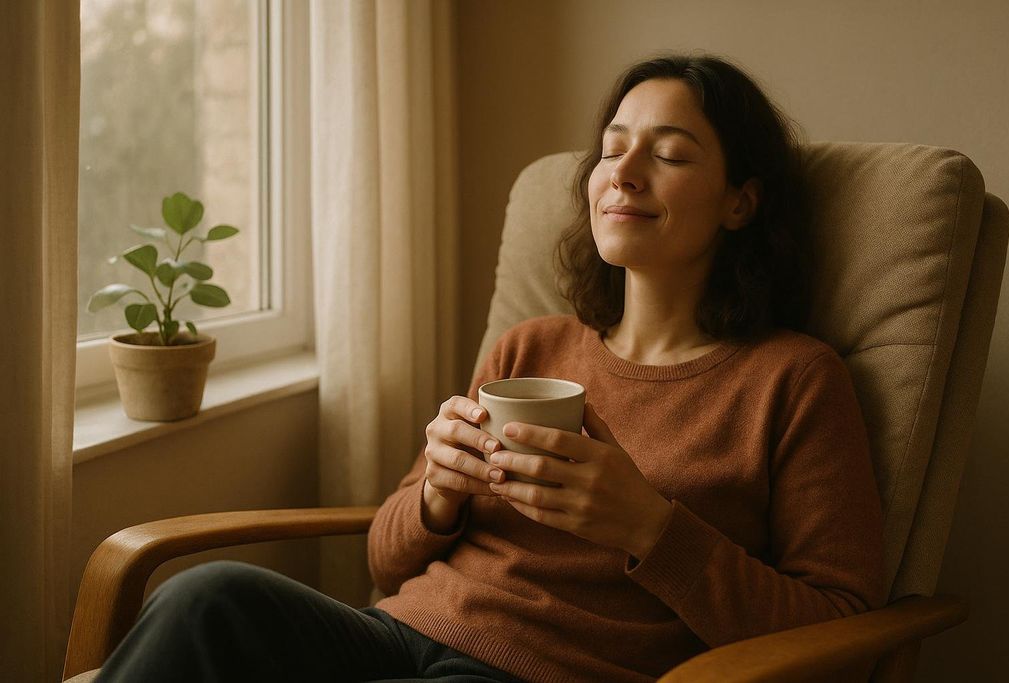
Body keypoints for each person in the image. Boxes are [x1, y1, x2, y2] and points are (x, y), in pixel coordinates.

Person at [94, 53, 884, 683]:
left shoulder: (794, 379)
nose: (624, 170)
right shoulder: (530, 349)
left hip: (559, 672)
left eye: (669, 153)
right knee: (206, 597)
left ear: (740, 203)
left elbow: (841, 622)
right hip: (398, 633)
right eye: (612, 148)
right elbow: (384, 558)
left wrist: (649, 524)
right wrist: (437, 492)